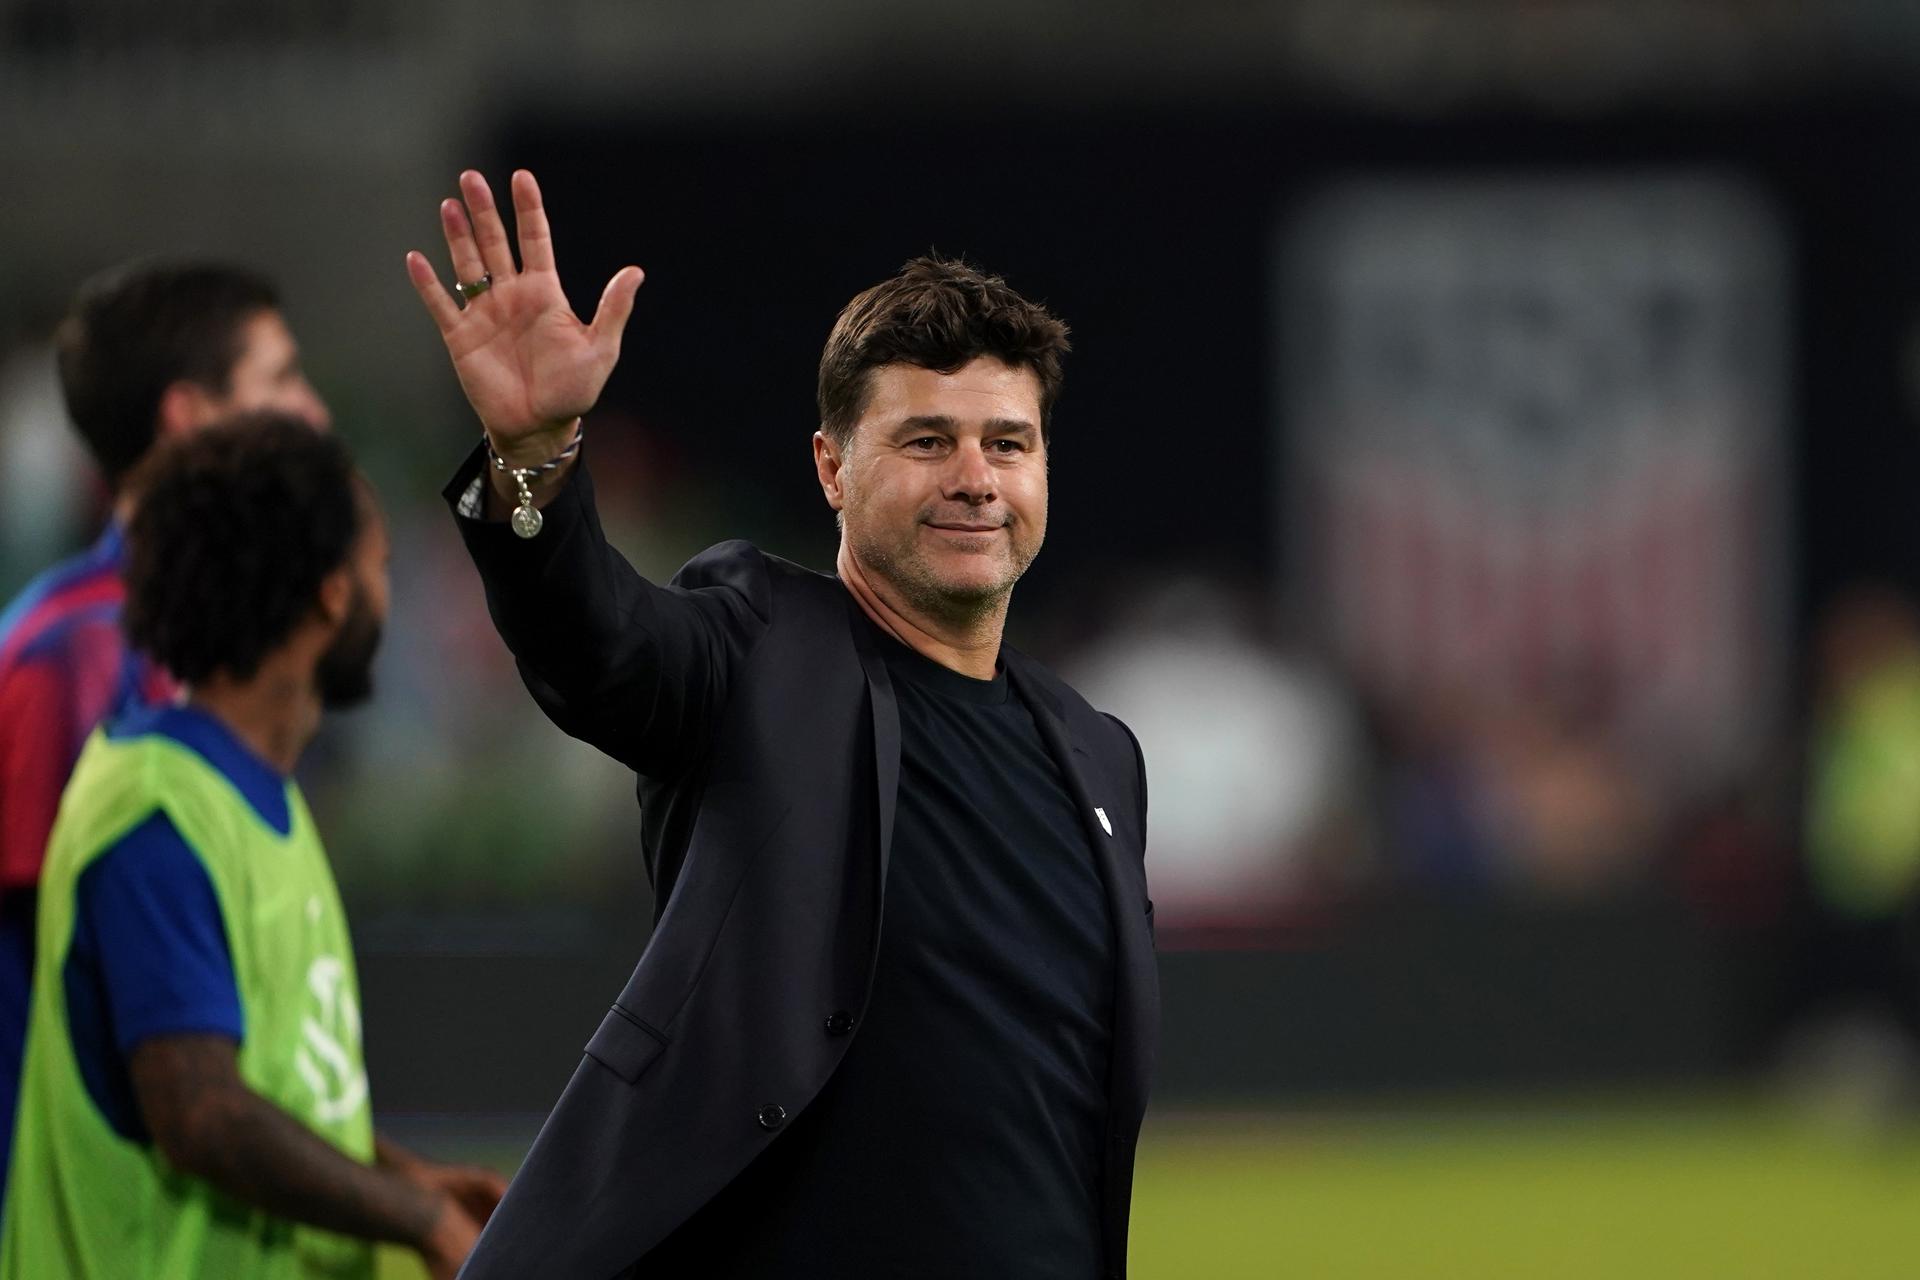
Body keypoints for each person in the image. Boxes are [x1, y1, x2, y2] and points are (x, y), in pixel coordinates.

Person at [405, 169, 1157, 1278]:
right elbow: (592, 640)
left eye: (1007, 443)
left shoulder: (1099, 752)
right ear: (831, 469)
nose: (975, 478)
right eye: (925, 440)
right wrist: (537, 453)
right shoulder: (760, 646)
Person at [0, 417, 503, 1279]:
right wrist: (417, 1216)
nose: (386, 589)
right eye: (378, 564)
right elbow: (202, 1114)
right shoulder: (155, 811)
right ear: (330, 595)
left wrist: (407, 1176)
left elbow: (272, 1092)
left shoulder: (253, 789)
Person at [0, 262, 331, 1199]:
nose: (311, 414)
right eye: (280, 381)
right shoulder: (65, 660)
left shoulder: (206, 650)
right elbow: (49, 986)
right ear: (189, 416)